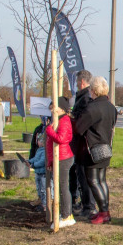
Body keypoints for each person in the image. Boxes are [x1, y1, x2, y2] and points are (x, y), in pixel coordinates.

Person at [74, 75, 117, 224]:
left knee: (93, 181)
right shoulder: (111, 107)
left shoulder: (92, 108)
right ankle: (105, 210)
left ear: (93, 90)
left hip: (92, 150)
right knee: (102, 180)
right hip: (106, 147)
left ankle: (104, 212)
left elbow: (79, 129)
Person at [44, 97, 76, 229]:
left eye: (53, 106)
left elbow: (62, 139)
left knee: (63, 188)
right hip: (58, 158)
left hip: (63, 158)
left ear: (61, 108)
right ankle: (64, 214)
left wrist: (49, 130)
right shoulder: (58, 120)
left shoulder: (64, 120)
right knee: (60, 187)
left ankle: (67, 215)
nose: (51, 109)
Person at [69, 69, 97, 218]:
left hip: (82, 143)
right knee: (81, 175)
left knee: (84, 176)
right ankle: (86, 203)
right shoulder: (84, 97)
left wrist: (72, 118)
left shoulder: (85, 98)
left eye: (76, 81)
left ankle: (88, 206)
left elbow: (83, 121)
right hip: (79, 143)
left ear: (81, 82)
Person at [24, 130, 49, 212]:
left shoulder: (45, 151)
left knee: (43, 189)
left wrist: (33, 165)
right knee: (39, 188)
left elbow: (42, 162)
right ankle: (41, 202)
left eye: (38, 141)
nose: (37, 142)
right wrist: (30, 161)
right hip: (38, 172)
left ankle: (45, 205)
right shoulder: (39, 150)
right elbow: (35, 158)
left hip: (43, 173)